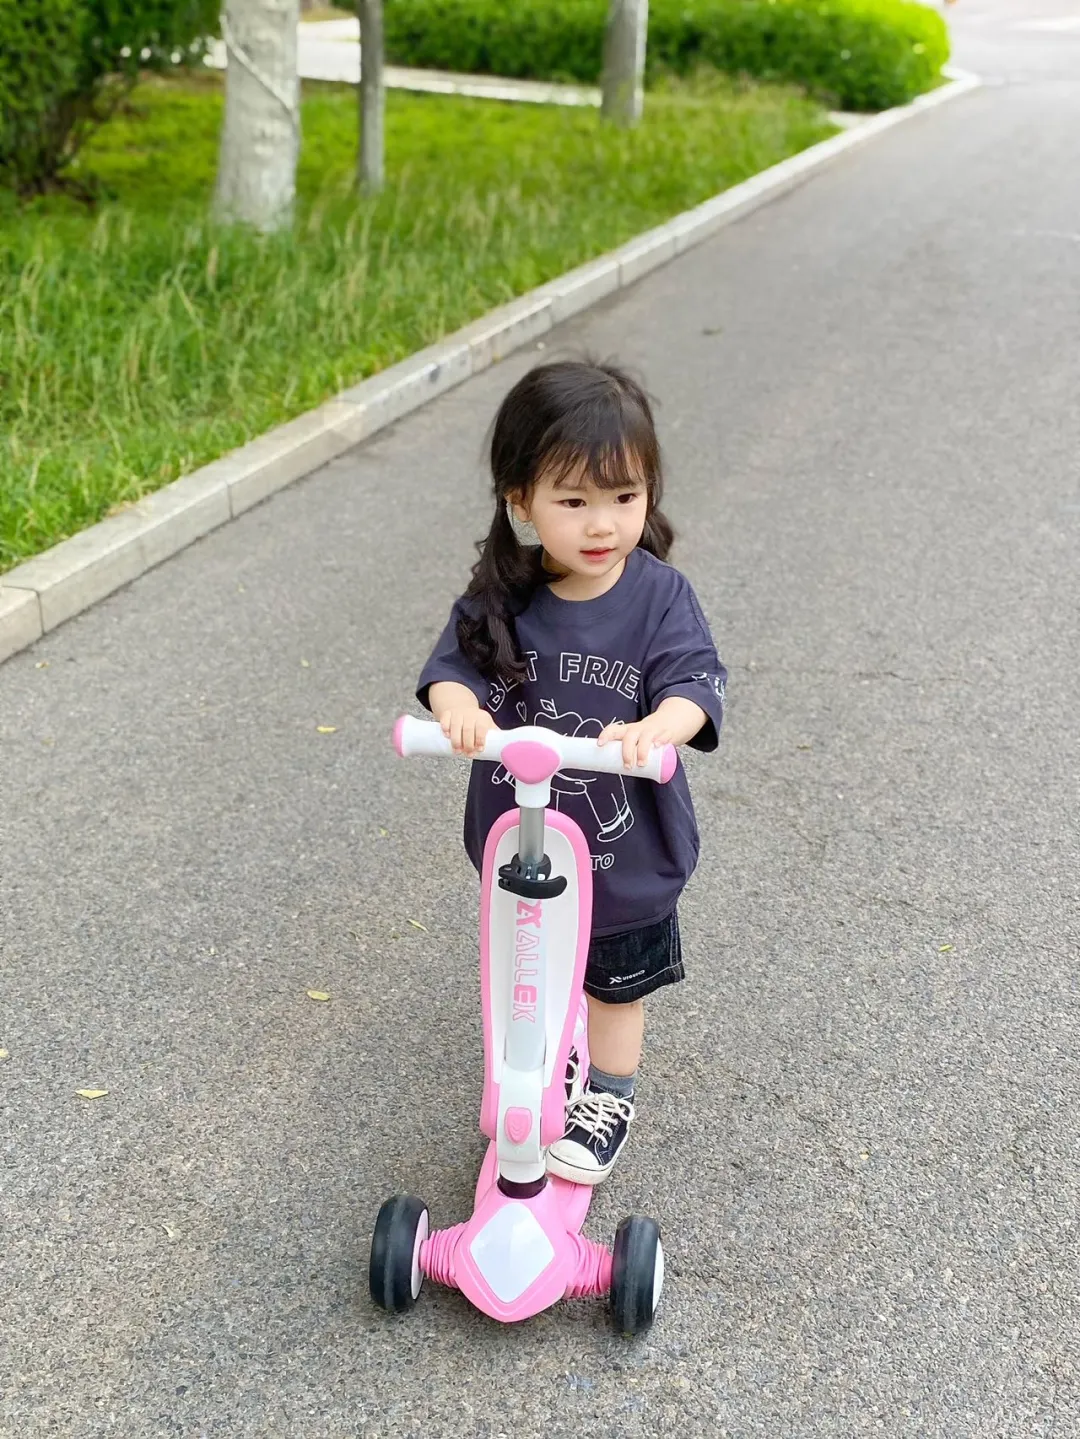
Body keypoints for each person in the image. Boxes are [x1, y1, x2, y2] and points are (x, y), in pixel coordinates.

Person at [416, 360, 726, 1185]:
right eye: (574, 501)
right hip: (526, 853)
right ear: (522, 502)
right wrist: (459, 711)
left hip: (628, 859)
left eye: (624, 498)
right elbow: (453, 668)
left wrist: (660, 724)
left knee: (615, 984)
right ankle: (544, 1066)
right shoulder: (503, 599)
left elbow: (696, 682)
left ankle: (608, 1094)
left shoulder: (660, 597)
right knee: (530, 975)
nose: (603, 524)